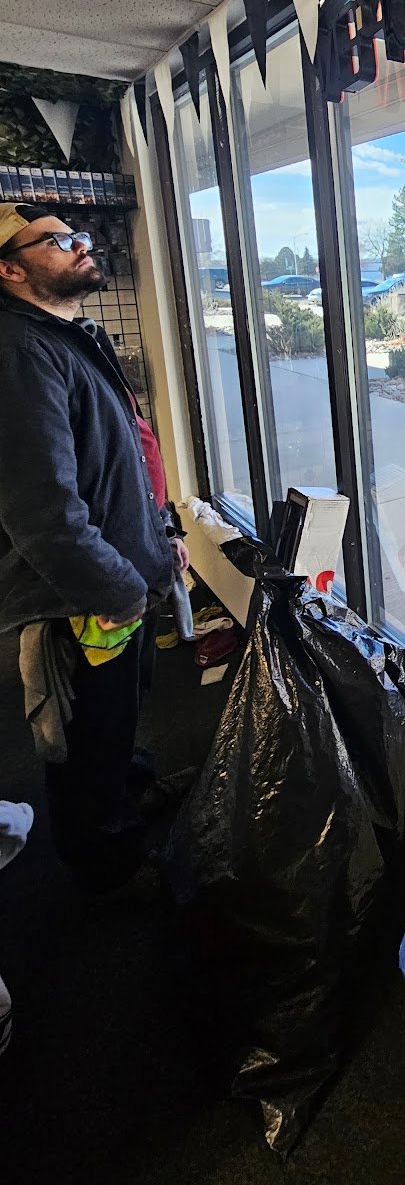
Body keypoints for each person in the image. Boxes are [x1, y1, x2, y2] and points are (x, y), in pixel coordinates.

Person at [0, 203, 186, 894]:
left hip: (118, 583)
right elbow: (42, 511)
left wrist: (162, 537)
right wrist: (119, 586)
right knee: (82, 737)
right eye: (57, 241)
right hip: (80, 600)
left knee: (117, 717)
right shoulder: (19, 354)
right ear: (11, 269)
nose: (80, 245)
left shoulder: (68, 335)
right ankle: (106, 865)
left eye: (78, 236)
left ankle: (127, 797)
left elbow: (123, 459)